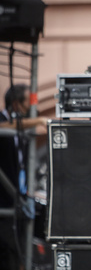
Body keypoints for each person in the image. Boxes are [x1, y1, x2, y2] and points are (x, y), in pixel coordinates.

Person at [0, 84, 48, 270]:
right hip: (4, 203)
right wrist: (38, 121)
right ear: (16, 104)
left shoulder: (22, 129)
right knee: (8, 254)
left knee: (19, 253)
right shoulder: (5, 121)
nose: (31, 108)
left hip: (18, 200)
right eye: (28, 103)